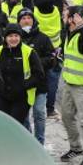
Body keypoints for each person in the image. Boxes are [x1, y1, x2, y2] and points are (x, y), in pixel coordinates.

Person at [58, 5, 83, 165]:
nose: (63, 17)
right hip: (69, 83)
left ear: (73, 18)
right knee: (67, 116)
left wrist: (82, 26)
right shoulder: (69, 33)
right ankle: (76, 148)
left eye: (65, 15)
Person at [18, 8, 57, 144]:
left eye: (29, 18)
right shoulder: (16, 38)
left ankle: (39, 142)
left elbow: (52, 57)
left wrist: (36, 63)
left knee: (39, 113)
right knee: (23, 116)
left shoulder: (43, 38)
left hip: (40, 83)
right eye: (23, 18)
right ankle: (29, 142)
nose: (26, 20)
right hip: (23, 84)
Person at [0, 23, 43, 126]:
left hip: (21, 98)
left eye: (16, 36)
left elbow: (39, 75)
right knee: (1, 125)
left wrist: (24, 85)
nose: (13, 39)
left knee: (14, 126)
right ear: (5, 37)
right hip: (2, 97)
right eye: (10, 36)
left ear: (20, 37)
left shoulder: (29, 52)